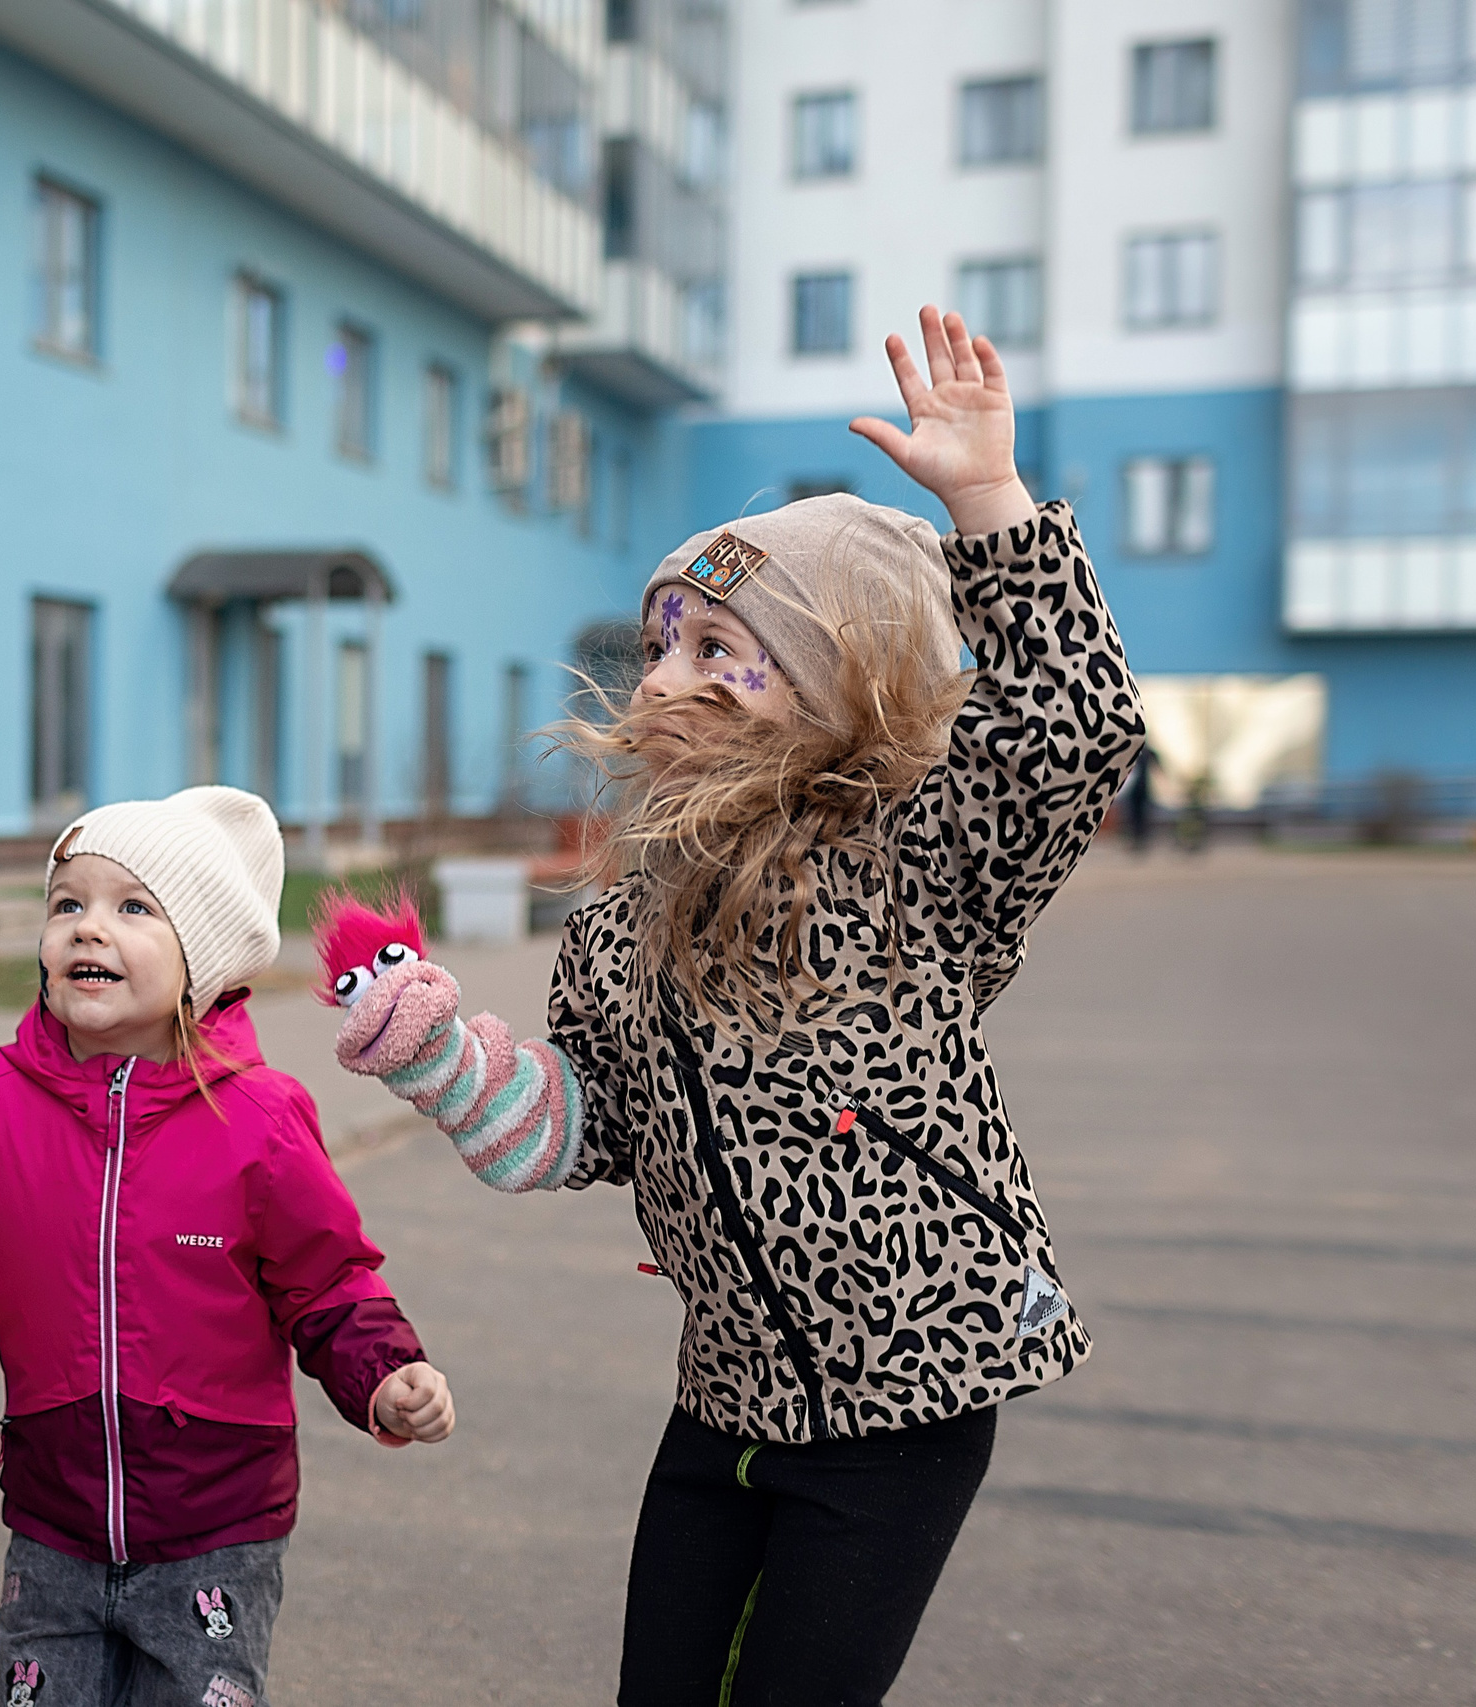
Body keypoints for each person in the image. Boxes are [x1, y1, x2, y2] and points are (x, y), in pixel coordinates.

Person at [327, 308, 1143, 1706]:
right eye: (663, 641)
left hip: (907, 1392)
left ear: (833, 685)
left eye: (724, 646)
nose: (667, 673)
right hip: (730, 1395)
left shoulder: (915, 858)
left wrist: (988, 497)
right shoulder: (622, 912)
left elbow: (1073, 730)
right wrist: (446, 1056)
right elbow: (582, 1128)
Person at [0, 787, 452, 1707]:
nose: (89, 929)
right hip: (54, 1518)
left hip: (218, 1528)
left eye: (132, 907)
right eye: (67, 904)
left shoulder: (259, 1115)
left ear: (196, 958)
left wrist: (384, 1373)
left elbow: (326, 1283)